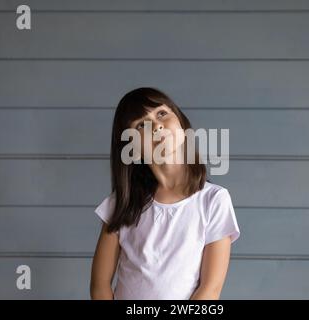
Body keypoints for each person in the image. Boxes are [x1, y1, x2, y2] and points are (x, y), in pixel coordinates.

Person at [90, 87, 240, 300]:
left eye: (161, 114)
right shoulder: (122, 204)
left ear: (180, 122)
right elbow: (99, 285)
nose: (156, 126)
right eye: (142, 125)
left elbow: (210, 290)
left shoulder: (213, 200)